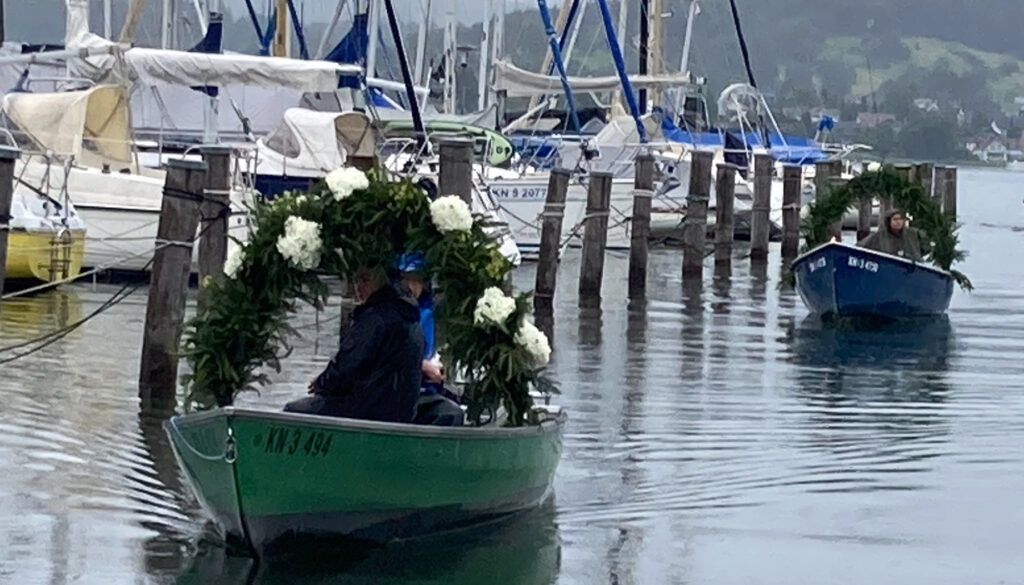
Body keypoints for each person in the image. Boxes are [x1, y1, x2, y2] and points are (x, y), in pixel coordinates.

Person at [284, 266, 423, 423]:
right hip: (401, 410)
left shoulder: (374, 319)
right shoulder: (409, 316)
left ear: (383, 283)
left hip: (369, 409)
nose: (358, 287)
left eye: (365, 280)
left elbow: (348, 365)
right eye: (356, 281)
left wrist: (322, 384)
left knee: (294, 410)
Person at [396, 253, 465, 427]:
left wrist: (439, 371)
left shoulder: (430, 311)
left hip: (427, 386)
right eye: (406, 279)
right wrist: (422, 365)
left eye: (416, 279)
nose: (411, 285)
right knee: (450, 413)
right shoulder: (393, 312)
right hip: (400, 387)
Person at [857, 209, 923, 261]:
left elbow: (924, 247)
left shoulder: (912, 234)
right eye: (895, 219)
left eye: (900, 219)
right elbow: (860, 248)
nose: (898, 222)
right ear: (889, 221)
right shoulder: (879, 236)